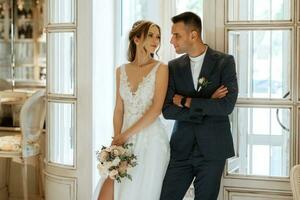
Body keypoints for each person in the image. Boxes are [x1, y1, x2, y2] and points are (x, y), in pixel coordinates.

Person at [160, 12, 238, 200]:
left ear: (193, 35)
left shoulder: (224, 62)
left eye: (176, 35)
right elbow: (168, 110)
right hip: (181, 149)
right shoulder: (173, 66)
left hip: (213, 149)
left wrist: (186, 102)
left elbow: (226, 106)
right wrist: (208, 102)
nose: (171, 40)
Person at [92, 20, 170, 200]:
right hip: (123, 142)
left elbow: (156, 109)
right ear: (136, 38)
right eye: (150, 35)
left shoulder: (161, 69)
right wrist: (117, 139)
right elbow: (119, 108)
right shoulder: (121, 70)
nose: (155, 40)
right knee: (106, 194)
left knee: (139, 194)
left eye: (158, 36)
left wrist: (125, 135)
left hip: (151, 141)